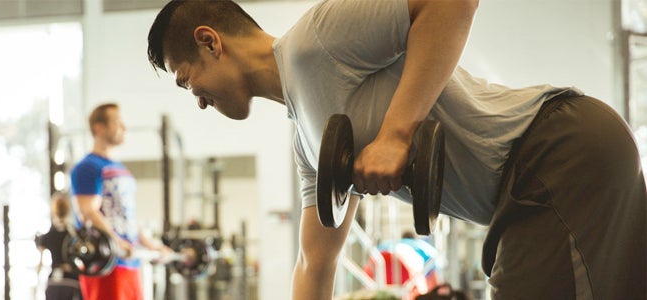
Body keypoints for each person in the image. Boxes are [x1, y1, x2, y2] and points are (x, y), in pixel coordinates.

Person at [146, 0, 647, 299]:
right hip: (534, 183)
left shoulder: (313, 44)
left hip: (557, 151)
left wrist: (395, 135)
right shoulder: (306, 139)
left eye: (188, 81)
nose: (199, 102)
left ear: (210, 41)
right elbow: (313, 263)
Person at [70, 102, 173, 300]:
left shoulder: (121, 170)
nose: (124, 128)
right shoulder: (88, 167)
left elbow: (129, 218)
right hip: (107, 264)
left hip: (130, 261)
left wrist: (152, 246)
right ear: (100, 128)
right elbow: (88, 213)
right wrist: (117, 243)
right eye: (118, 123)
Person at [35, 192, 81, 300]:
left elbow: (40, 264)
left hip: (55, 282)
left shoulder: (47, 236)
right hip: (72, 281)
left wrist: (37, 284)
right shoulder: (74, 234)